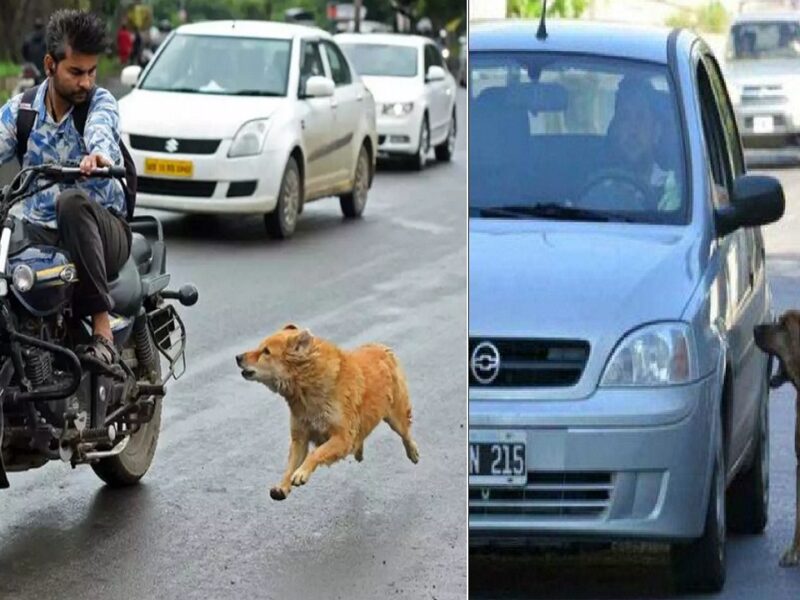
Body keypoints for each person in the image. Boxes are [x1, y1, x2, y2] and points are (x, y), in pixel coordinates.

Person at [0, 9, 131, 366]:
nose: (86, 82)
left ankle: (102, 330)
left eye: (91, 72)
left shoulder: (98, 104)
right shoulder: (22, 111)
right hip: (40, 235)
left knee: (71, 203)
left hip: (103, 232)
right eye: (76, 72)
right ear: (49, 64)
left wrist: (99, 157)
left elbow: (101, 132)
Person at [605, 76, 680, 212]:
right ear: (615, 131)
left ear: (656, 131)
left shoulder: (675, 191)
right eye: (625, 118)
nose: (632, 130)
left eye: (641, 118)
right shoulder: (599, 191)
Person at [21, 18, 47, 83]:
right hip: (42, 68)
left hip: (31, 68)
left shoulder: (28, 39)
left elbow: (24, 52)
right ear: (42, 27)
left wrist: (28, 61)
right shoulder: (45, 39)